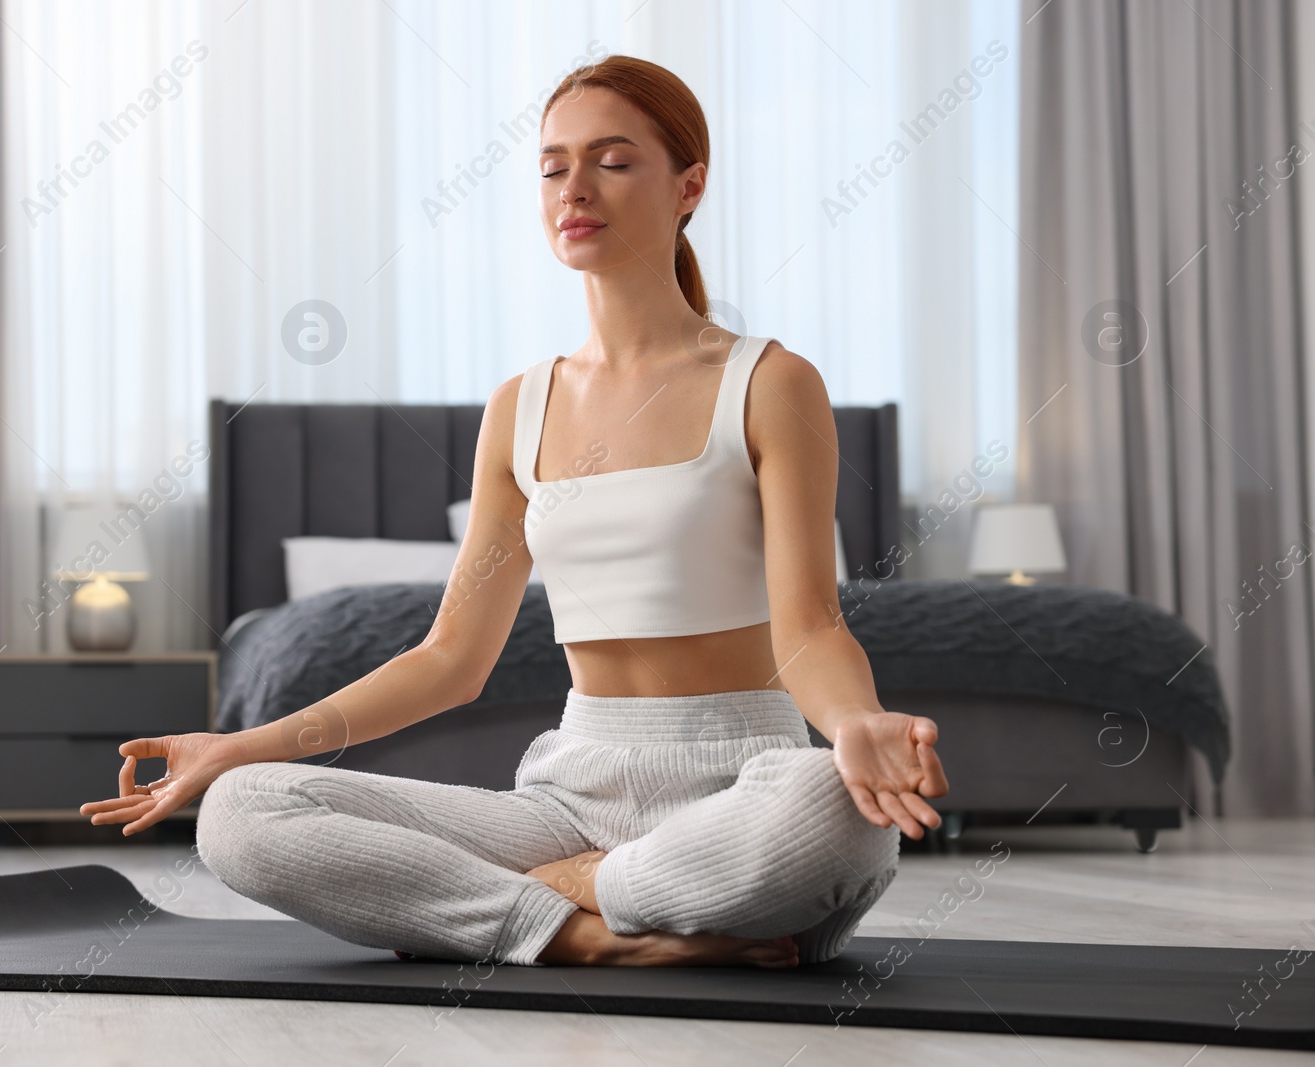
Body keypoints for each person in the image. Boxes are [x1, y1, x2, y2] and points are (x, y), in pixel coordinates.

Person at [79, 54, 948, 969]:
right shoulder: (520, 408)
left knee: (839, 814)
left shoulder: (769, 383)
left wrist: (857, 723)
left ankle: (577, 892)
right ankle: (584, 935)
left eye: (613, 161)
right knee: (244, 813)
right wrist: (236, 747)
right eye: (552, 165)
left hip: (741, 796)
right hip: (565, 803)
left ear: (689, 185)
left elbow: (809, 627)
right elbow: (451, 660)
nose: (575, 187)